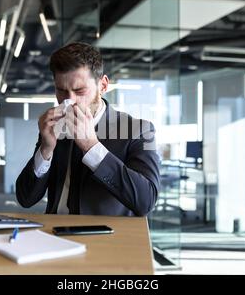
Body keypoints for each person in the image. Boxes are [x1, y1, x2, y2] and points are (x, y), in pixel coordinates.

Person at [16, 42, 160, 216]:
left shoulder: (140, 130)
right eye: (61, 91)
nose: (69, 101)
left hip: (104, 238)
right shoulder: (55, 128)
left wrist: (91, 146)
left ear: (103, 86)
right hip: (53, 234)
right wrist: (45, 149)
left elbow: (146, 200)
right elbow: (25, 198)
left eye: (80, 90)